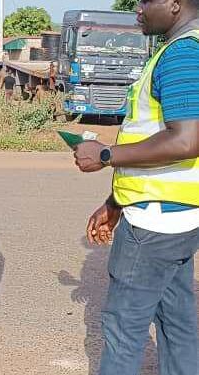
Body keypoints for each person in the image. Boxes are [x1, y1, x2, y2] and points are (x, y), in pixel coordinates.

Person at [73, 0, 199, 374]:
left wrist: (107, 155)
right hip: (177, 216)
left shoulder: (181, 54)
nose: (138, 10)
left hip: (155, 225)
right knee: (177, 322)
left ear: (174, 4)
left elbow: (186, 141)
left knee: (123, 331)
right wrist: (114, 203)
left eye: (146, 1)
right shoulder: (182, 49)